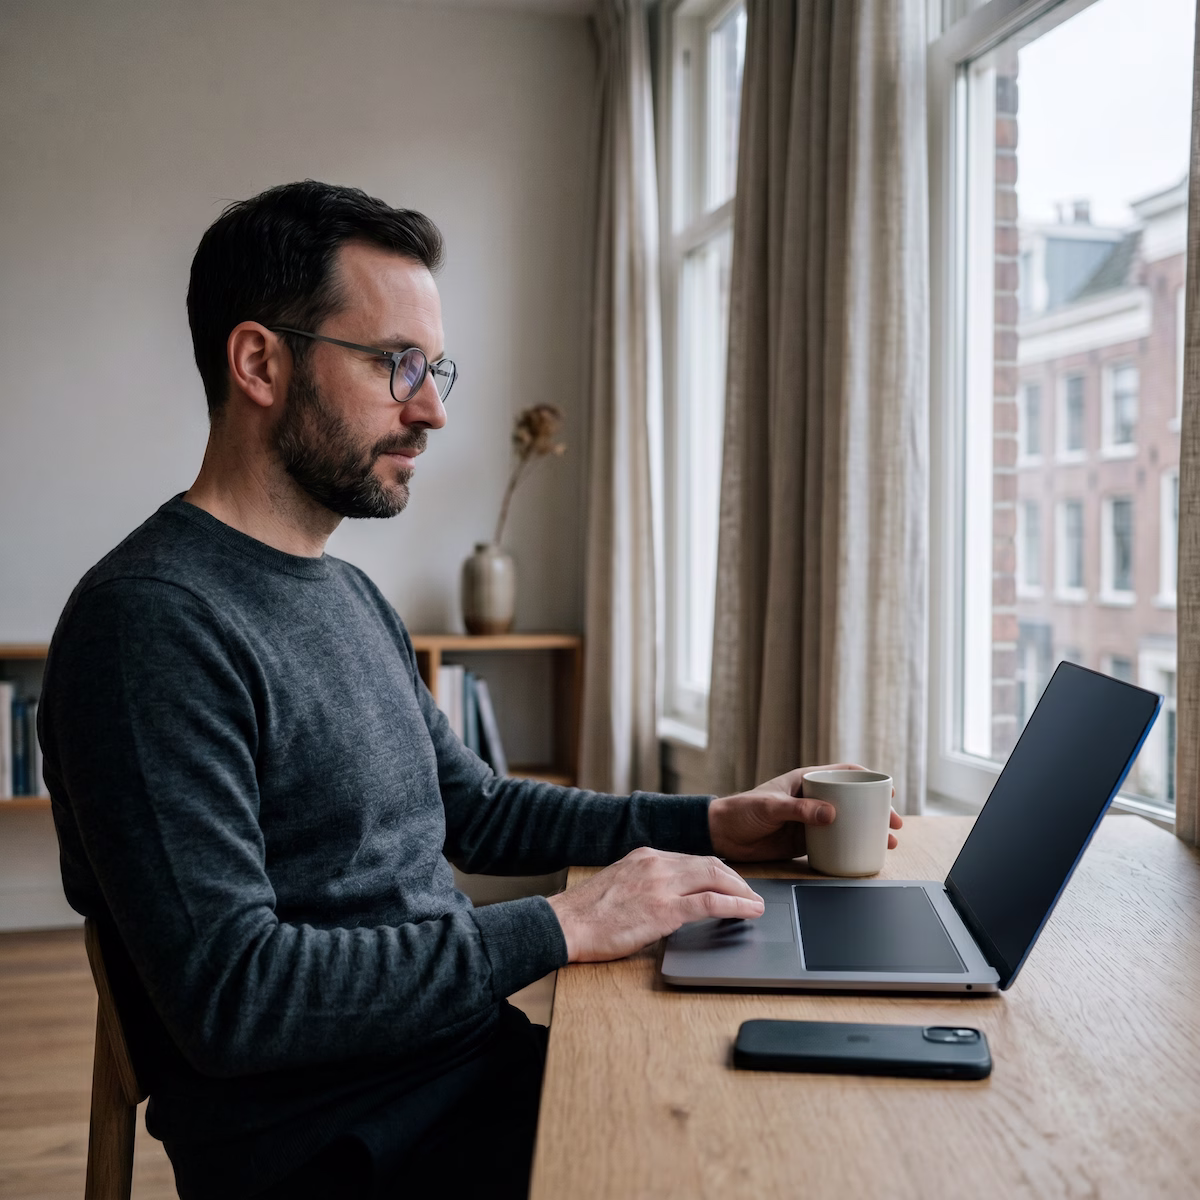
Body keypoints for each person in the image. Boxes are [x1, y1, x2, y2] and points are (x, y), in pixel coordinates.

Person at [39, 180, 902, 1200]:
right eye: (396, 363)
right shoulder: (149, 625)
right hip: (342, 1148)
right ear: (260, 361)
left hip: (465, 1074)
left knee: (803, 1118)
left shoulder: (349, 594)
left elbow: (473, 810)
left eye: (436, 366)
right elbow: (238, 998)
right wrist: (566, 927)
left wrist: (713, 821)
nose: (435, 408)